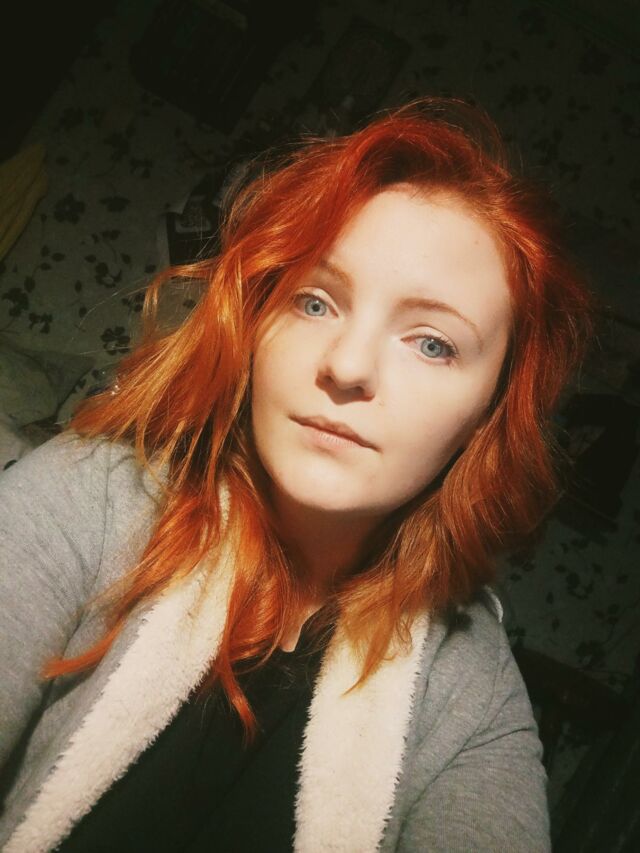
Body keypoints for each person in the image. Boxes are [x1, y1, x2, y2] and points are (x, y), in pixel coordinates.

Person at [0, 98, 595, 852]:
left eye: (433, 343)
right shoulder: (89, 499)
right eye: (315, 301)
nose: (346, 365)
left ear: (489, 413)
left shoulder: (469, 695)